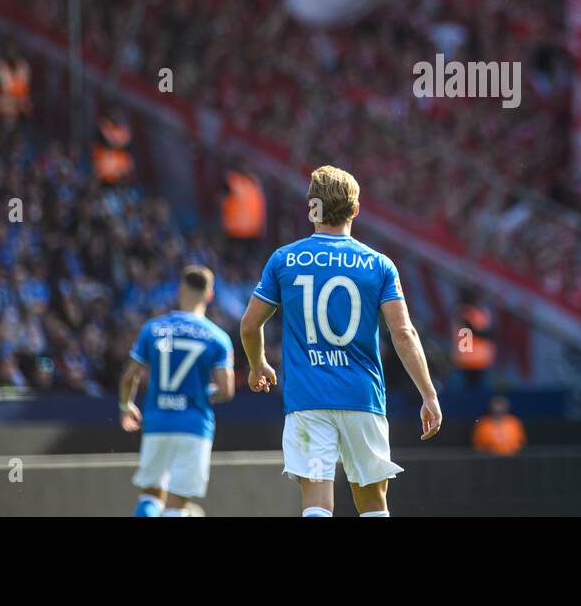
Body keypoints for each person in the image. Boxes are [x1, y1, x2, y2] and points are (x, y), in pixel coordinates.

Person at [239, 165, 441, 517]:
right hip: (362, 398)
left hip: (308, 399)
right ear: (356, 209)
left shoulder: (285, 259)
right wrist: (428, 393)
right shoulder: (379, 265)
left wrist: (258, 364)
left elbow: (248, 326)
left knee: (316, 505)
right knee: (374, 506)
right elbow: (403, 332)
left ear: (311, 208)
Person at [119, 265, 235, 517]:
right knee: (177, 504)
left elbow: (130, 376)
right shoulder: (217, 338)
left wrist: (125, 405)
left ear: (180, 289)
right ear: (209, 295)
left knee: (150, 493)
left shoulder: (153, 328)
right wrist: (205, 394)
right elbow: (226, 390)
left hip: (157, 422)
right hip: (194, 426)